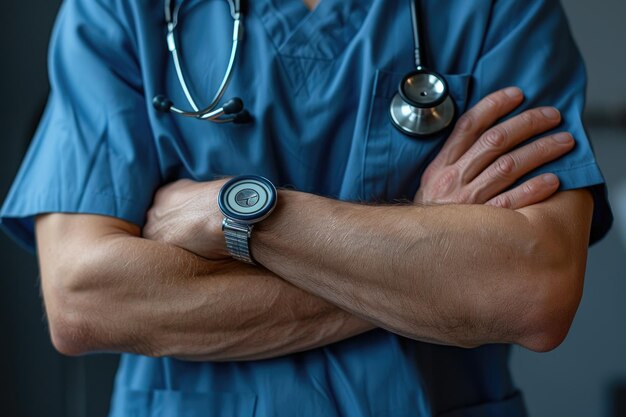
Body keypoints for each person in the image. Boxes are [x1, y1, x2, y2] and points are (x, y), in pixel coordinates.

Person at [0, 0, 613, 416]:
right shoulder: (121, 11)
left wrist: (227, 211)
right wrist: (426, 261)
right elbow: (83, 298)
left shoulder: (498, 10)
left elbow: (531, 292)